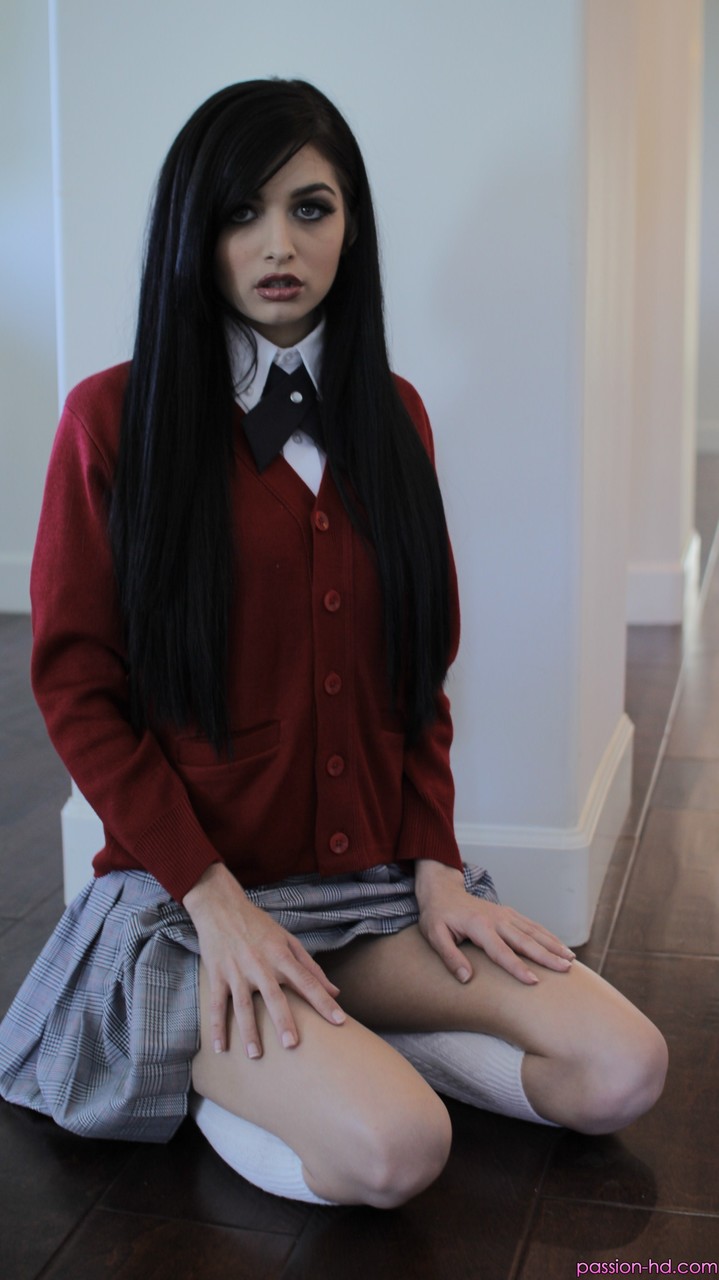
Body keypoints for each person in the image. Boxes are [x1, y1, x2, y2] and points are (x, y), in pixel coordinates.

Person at [0, 79, 667, 1210]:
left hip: (369, 894)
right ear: (194, 231)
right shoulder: (110, 421)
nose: (279, 244)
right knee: (394, 1151)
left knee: (621, 1070)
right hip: (193, 908)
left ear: (350, 228)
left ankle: (338, 1044)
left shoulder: (393, 414)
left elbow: (418, 671)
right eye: (241, 212)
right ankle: (232, 1072)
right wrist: (215, 900)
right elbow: (77, 689)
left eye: (310, 208)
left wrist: (437, 864)